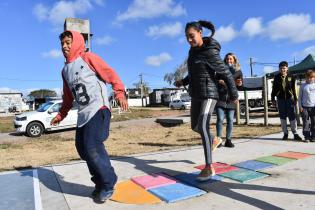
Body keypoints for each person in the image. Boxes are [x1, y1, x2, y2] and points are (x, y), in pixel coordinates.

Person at [50, 30, 128, 203]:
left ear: (77, 42)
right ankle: (99, 182)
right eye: (62, 44)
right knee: (82, 149)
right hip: (83, 114)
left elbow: (110, 73)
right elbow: (68, 98)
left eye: (68, 42)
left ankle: (108, 182)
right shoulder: (65, 71)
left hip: (98, 108)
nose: (64, 46)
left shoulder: (88, 58)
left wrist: (119, 93)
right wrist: (60, 115)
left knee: (92, 146)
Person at [175, 20, 238, 181]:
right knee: (195, 126)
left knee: (203, 125)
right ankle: (214, 139)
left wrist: (234, 94)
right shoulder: (192, 52)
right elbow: (195, 72)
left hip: (210, 93)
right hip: (196, 93)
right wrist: (183, 81)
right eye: (187, 37)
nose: (189, 40)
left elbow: (226, 73)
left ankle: (209, 167)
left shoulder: (210, 51)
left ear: (200, 33)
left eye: (192, 36)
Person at [216, 53, 243, 148]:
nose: (229, 61)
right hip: (221, 98)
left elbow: (240, 86)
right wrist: (220, 83)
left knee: (230, 120)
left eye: (231, 59)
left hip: (231, 99)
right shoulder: (220, 71)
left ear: (234, 60)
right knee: (219, 119)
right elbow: (216, 82)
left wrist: (239, 84)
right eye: (227, 59)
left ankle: (228, 140)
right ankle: (218, 140)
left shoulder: (238, 72)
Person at [271, 61, 302, 141]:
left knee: (292, 116)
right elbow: (274, 89)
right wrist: (272, 98)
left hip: (290, 99)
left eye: (284, 68)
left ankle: (295, 133)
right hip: (280, 99)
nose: (282, 70)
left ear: (287, 68)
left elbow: (294, 89)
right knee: (282, 117)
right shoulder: (276, 77)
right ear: (279, 69)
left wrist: (295, 99)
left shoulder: (291, 77)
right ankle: (285, 133)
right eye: (281, 68)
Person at [298, 70, 315, 142]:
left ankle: (313, 136)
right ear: (305, 77)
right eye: (308, 77)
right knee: (306, 122)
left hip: (314, 107)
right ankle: (307, 136)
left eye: (311, 77)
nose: (309, 79)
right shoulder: (302, 86)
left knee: (314, 122)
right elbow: (300, 97)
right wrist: (300, 106)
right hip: (304, 107)